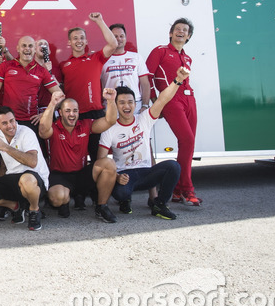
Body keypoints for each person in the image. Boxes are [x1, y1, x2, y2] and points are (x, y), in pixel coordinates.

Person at [94, 67, 190, 220]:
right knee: (121, 193)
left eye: (130, 102)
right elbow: (101, 161)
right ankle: (125, 200)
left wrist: (177, 81)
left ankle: (160, 204)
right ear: (116, 105)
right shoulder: (109, 128)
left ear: (135, 104)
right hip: (125, 174)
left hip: (146, 172)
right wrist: (116, 177)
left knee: (174, 166)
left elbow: (162, 99)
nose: (127, 106)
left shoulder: (144, 118)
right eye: (122, 102)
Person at [39, 89, 119, 222]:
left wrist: (110, 101)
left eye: (75, 111)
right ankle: (64, 202)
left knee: (109, 164)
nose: (72, 114)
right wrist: (53, 103)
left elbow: (110, 121)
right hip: (59, 176)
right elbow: (42, 131)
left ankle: (102, 207)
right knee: (58, 198)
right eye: (68, 110)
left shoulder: (86, 125)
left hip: (81, 175)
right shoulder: (53, 127)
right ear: (60, 113)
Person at [145, 18, 200, 206]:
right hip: (170, 99)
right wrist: (155, 100)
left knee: (188, 143)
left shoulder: (187, 58)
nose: (181, 32)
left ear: (189, 36)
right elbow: (147, 76)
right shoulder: (160, 51)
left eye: (185, 30)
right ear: (171, 33)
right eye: (177, 29)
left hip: (189, 99)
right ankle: (187, 189)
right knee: (187, 139)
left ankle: (176, 191)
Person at [59, 12, 118, 163]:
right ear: (69, 42)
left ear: (86, 41)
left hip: (95, 114)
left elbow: (113, 44)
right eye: (75, 38)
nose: (79, 41)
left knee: (98, 157)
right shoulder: (64, 65)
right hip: (73, 116)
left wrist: (99, 20)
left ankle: (97, 187)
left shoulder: (95, 58)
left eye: (82, 38)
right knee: (75, 159)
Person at [0, 36, 60, 142]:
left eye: (30, 46)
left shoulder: (41, 71)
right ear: (18, 48)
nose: (27, 48)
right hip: (8, 121)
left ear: (35, 49)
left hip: (31, 122)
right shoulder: (6, 66)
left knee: (31, 156)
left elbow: (60, 95)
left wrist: (44, 114)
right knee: (6, 156)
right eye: (24, 46)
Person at [101, 24, 151, 114]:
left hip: (135, 104)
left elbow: (145, 84)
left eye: (121, 36)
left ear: (125, 38)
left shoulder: (136, 57)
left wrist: (145, 105)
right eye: (115, 36)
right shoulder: (101, 60)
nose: (119, 39)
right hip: (111, 105)